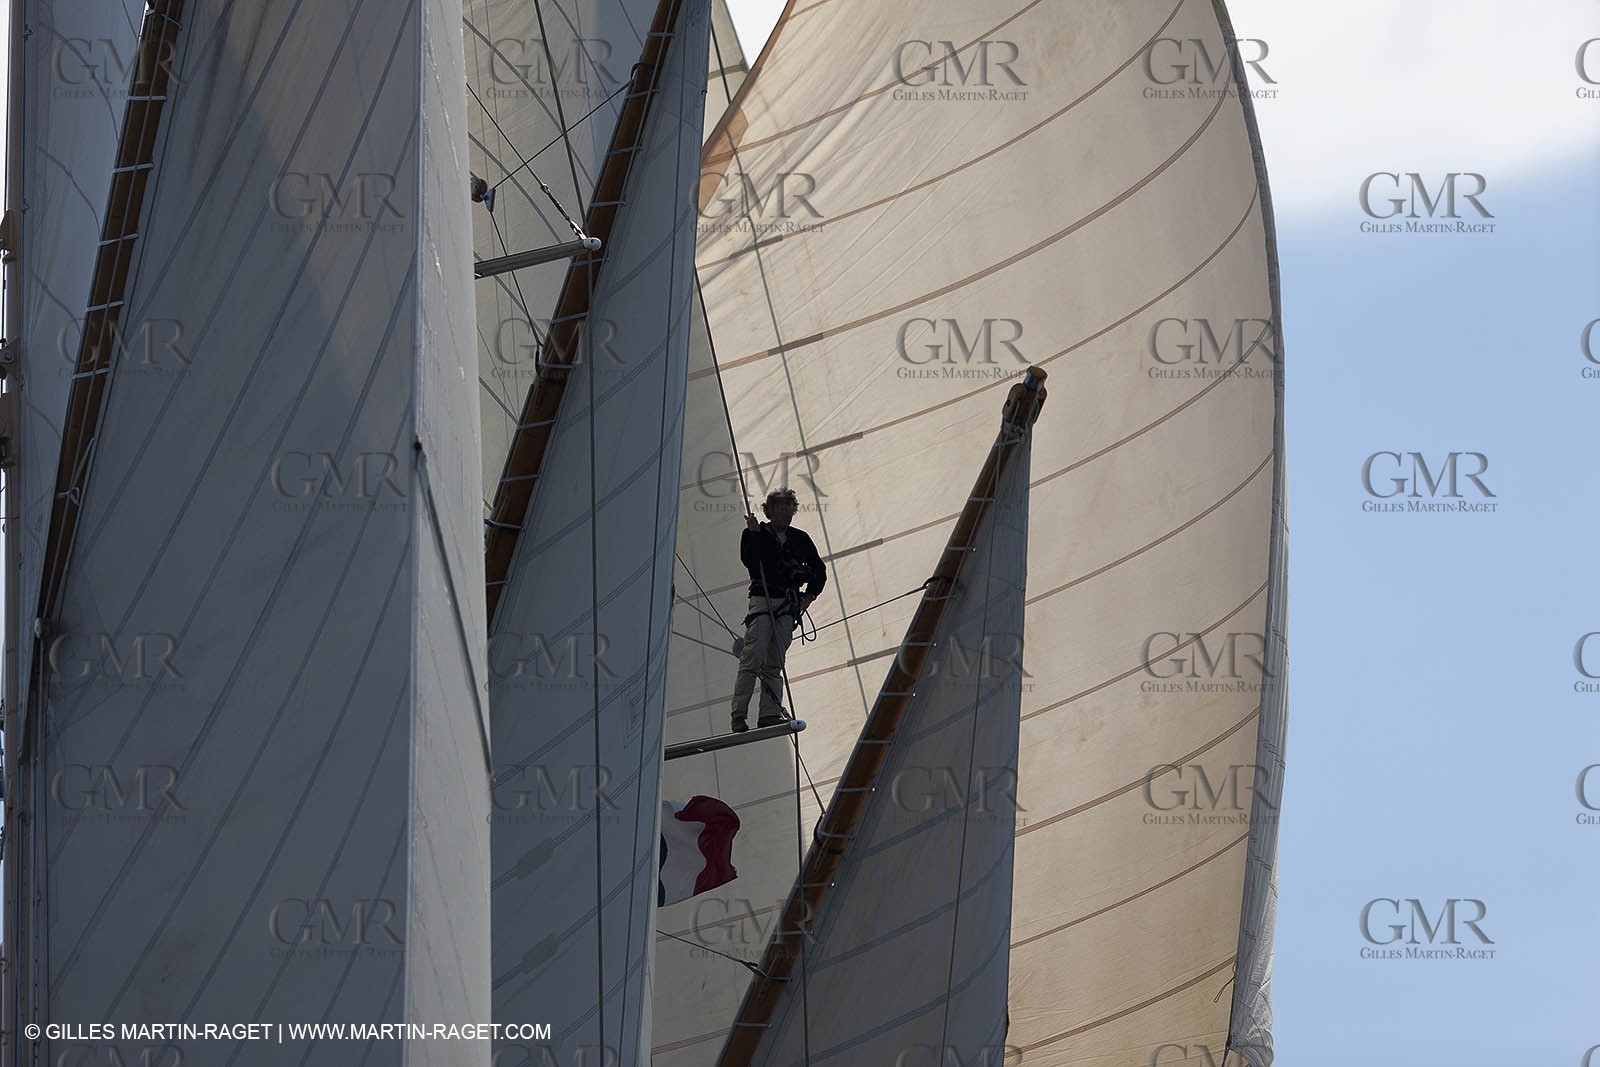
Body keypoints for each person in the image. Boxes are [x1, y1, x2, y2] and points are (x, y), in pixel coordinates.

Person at [730, 488, 827, 732]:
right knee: (753, 656)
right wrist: (754, 536)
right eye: (782, 508)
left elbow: (819, 569)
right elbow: (751, 562)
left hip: (788, 603)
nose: (787, 513)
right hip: (764, 599)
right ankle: (739, 715)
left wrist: (810, 596)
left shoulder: (800, 539)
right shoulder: (756, 533)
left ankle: (769, 714)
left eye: (790, 509)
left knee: (774, 661)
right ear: (770, 511)